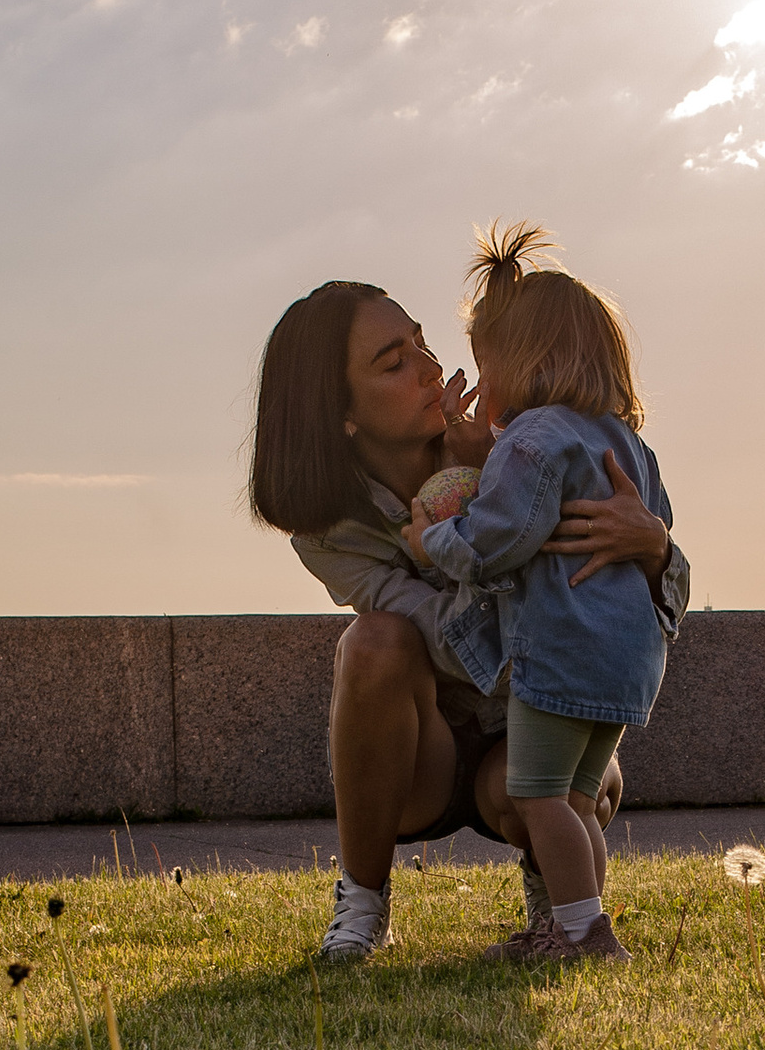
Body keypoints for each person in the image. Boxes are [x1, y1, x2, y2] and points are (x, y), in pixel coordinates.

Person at [249, 273, 689, 960]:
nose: (431, 368)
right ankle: (363, 903)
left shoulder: (516, 442)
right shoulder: (329, 529)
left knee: (578, 784)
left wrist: (655, 548)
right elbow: (431, 628)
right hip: (422, 757)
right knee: (373, 642)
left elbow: (641, 595)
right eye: (394, 363)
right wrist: (452, 528)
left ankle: (561, 913)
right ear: (340, 413)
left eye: (422, 343)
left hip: (526, 721)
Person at [407, 225, 670, 964]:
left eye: (485, 366)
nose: (481, 385)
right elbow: (658, 527)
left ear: (526, 361)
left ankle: (582, 933)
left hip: (562, 649)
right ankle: (575, 924)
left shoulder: (532, 440)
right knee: (575, 800)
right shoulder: (628, 443)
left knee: (537, 797)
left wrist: (434, 540)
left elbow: (499, 541)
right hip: (627, 657)